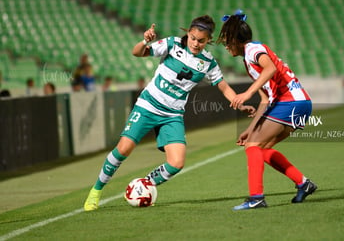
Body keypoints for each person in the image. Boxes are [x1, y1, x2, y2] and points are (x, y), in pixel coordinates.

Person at [83, 15, 255, 211]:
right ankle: (95, 191)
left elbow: (224, 88)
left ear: (209, 40)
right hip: (148, 106)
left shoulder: (208, 62)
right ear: (188, 33)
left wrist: (239, 104)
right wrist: (145, 41)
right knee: (123, 149)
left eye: (201, 40)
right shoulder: (172, 44)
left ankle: (143, 186)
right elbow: (137, 53)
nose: (196, 43)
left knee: (177, 162)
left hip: (172, 115)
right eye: (193, 38)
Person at [217, 10, 317, 210]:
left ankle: (256, 198)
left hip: (291, 102)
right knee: (258, 148)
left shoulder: (253, 49)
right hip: (297, 103)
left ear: (237, 39)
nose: (226, 46)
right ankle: (303, 184)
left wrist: (246, 93)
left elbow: (270, 68)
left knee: (253, 146)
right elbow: (265, 99)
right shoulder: (249, 57)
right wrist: (250, 128)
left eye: (228, 41)